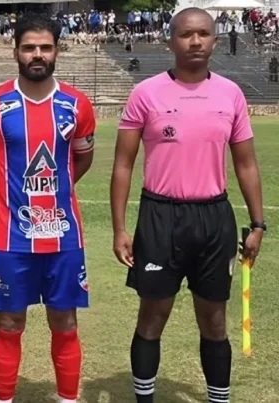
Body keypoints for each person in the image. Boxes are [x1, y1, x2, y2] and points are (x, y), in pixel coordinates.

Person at [110, 8, 264, 403]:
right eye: (186, 34)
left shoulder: (230, 94)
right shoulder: (146, 93)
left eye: (203, 34)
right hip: (160, 217)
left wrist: (258, 224)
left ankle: (218, 398)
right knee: (152, 315)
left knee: (214, 319)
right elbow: (123, 164)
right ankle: (144, 397)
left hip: (214, 218)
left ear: (215, 40)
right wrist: (120, 228)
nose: (195, 41)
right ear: (170, 41)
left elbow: (246, 164)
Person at [0, 15, 96, 403]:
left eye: (45, 47)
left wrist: (55, 191)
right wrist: (9, 193)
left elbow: (82, 159)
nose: (37, 54)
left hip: (64, 235)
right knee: (9, 322)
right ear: (16, 52)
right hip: (11, 236)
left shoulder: (77, 104)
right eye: (29, 48)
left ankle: (67, 399)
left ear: (57, 51)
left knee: (65, 321)